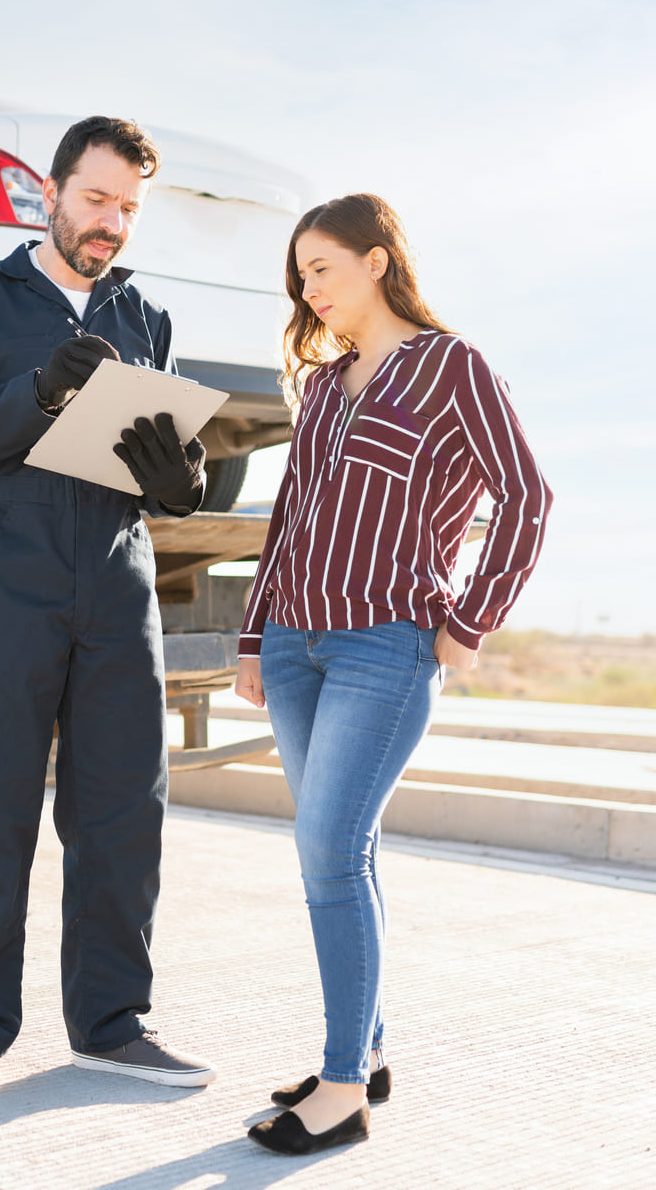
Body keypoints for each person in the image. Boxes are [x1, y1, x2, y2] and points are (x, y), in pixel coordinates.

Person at [233, 193, 551, 1155]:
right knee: (343, 854)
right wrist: (254, 639)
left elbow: (526, 495)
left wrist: (468, 620)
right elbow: (288, 517)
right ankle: (361, 1054)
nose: (308, 288)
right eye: (300, 275)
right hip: (295, 641)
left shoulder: (451, 367)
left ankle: (339, 1094)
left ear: (376, 261)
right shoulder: (323, 388)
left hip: (388, 645)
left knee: (329, 852)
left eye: (321, 267)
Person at [0, 116, 216, 1109]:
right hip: (9, 578)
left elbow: (166, 468)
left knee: (125, 808)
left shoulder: (147, 317)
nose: (111, 222)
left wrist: (184, 480)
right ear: (50, 191)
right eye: (97, 199)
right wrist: (38, 388)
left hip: (117, 579)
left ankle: (113, 1024)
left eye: (128, 207)